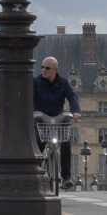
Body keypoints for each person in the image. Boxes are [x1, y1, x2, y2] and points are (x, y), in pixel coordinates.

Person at [34, 55, 81, 189]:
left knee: (66, 141)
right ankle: (34, 174)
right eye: (42, 67)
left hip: (59, 118)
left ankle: (66, 177)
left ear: (55, 70)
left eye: (47, 68)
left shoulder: (64, 83)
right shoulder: (35, 82)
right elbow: (28, 97)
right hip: (40, 118)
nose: (43, 70)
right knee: (38, 142)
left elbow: (72, 96)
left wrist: (75, 111)